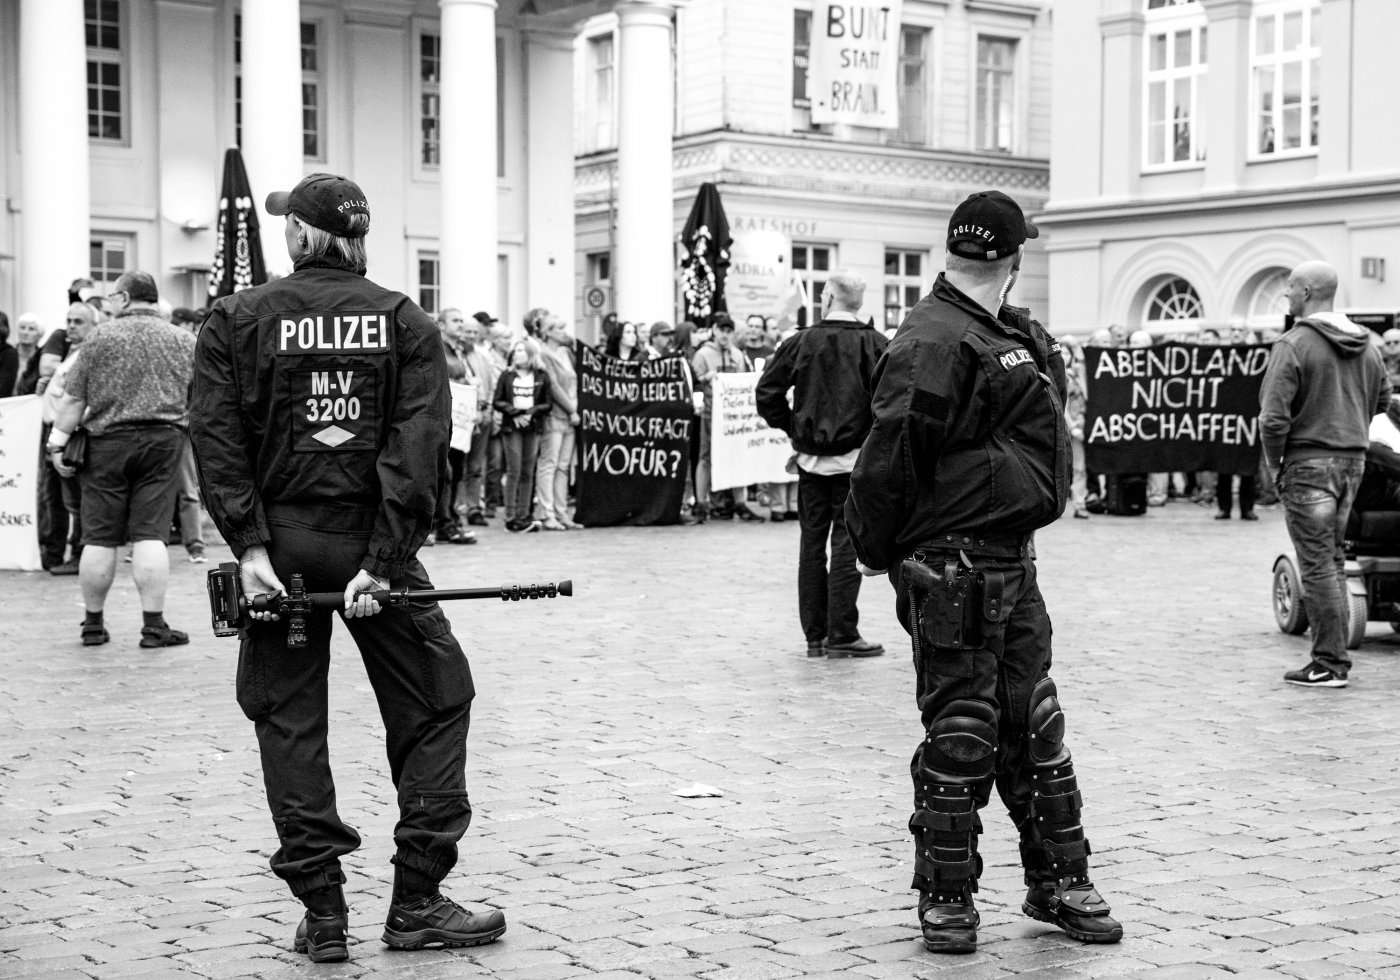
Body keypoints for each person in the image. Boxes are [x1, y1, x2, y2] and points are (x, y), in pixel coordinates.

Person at [189, 173, 506, 961]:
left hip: (283, 550)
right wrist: (386, 560)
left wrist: (251, 548)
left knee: (289, 719)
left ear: (301, 235)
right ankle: (418, 899)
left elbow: (217, 439)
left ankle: (324, 910)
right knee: (436, 700)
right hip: (367, 541)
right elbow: (419, 444)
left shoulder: (237, 317)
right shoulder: (402, 318)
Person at [846, 190, 1122, 953]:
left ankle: (1059, 880)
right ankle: (947, 895)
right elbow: (889, 458)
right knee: (962, 729)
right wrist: (874, 549)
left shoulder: (1006, 333)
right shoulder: (934, 339)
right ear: (1013, 258)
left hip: (1013, 560)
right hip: (951, 568)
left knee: (1035, 721)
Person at [1260, 260, 1390, 689]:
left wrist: (1275, 462)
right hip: (1352, 460)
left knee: (1317, 564)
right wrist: (1350, 423)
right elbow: (1384, 400)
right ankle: (1331, 658)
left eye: (1291, 288)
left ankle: (1330, 663)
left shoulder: (1294, 344)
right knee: (1332, 559)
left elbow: (1272, 419)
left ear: (1309, 293)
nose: (1286, 295)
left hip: (1308, 461)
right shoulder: (1367, 344)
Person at [46, 273, 194, 645]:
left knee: (98, 537)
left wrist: (56, 443)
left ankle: (93, 624)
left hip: (106, 445)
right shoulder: (182, 339)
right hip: (163, 442)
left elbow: (74, 399)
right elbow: (200, 396)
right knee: (150, 536)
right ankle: (153, 625)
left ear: (125, 298)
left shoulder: (99, 338)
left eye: (112, 296)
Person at [757, 270, 886, 658]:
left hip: (811, 461)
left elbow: (767, 392)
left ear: (827, 297)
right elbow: (891, 403)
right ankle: (842, 632)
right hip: (853, 464)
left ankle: (816, 635)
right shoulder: (875, 345)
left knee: (812, 545)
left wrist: (795, 428)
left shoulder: (802, 341)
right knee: (846, 545)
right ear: (858, 302)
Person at [691, 315, 761, 522]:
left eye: (729, 331)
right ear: (714, 329)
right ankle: (701, 503)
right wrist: (705, 379)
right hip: (709, 414)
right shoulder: (703, 354)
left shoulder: (737, 355)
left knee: (737, 456)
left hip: (732, 416)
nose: (725, 335)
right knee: (705, 457)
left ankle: (740, 502)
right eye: (722, 330)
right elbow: (694, 385)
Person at [493, 335, 552, 532]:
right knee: (514, 470)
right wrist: (515, 413)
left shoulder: (542, 376)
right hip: (512, 427)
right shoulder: (507, 375)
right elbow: (498, 400)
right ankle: (510, 517)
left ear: (530, 354)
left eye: (520, 350)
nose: (516, 354)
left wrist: (530, 413)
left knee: (528, 471)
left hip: (532, 426)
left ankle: (524, 514)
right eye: (515, 351)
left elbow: (547, 403)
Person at [430, 308, 477, 545]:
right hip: (441, 418)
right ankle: (443, 524)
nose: (460, 324)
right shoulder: (436, 345)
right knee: (444, 473)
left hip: (459, 421)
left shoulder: (459, 351)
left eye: (461, 320)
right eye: (455, 320)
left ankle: (448, 520)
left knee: (456, 472)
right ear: (442, 324)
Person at [536, 315, 581, 530]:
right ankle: (547, 511)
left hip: (571, 416)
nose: (564, 332)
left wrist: (575, 409)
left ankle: (562, 511)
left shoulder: (565, 353)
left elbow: (574, 382)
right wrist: (572, 409)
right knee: (549, 463)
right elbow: (553, 386)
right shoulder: (543, 354)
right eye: (560, 328)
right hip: (555, 415)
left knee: (563, 466)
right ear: (549, 332)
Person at [13, 312, 43, 396]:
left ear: (39, 334)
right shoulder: (7, 355)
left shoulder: (42, 359)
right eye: (22, 328)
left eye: (31, 329)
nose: (25, 332)